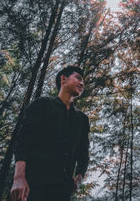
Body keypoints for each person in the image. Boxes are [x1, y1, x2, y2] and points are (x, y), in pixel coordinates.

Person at [10, 66, 90, 201]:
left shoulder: (82, 119)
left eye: (83, 82)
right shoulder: (42, 104)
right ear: (63, 79)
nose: (82, 83)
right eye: (78, 78)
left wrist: (79, 176)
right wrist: (19, 177)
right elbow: (23, 140)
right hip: (33, 187)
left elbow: (83, 152)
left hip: (62, 192)